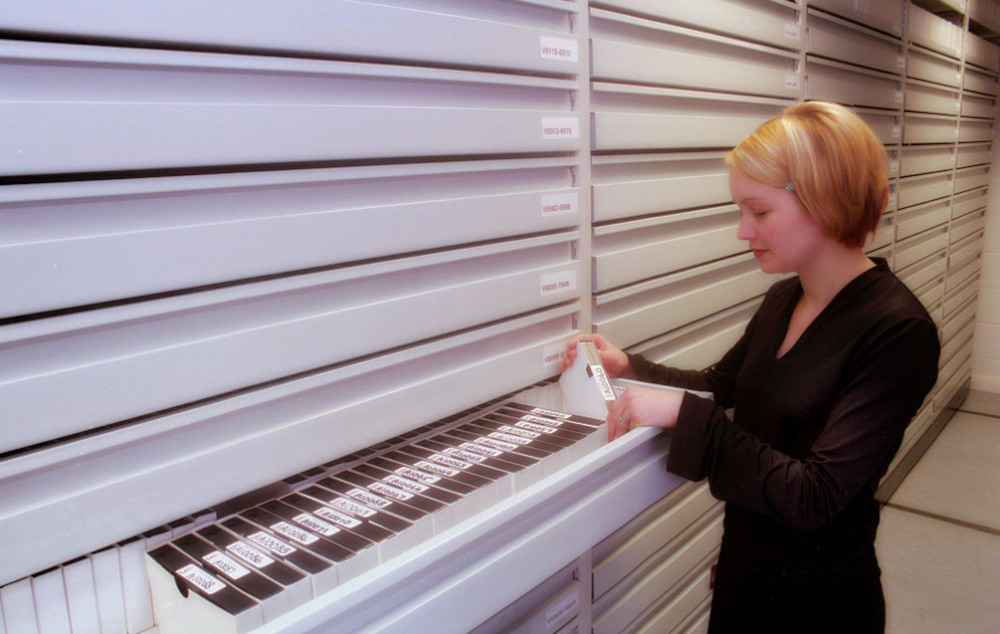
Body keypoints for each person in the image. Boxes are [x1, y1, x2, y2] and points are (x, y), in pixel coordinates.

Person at [561, 101, 940, 633]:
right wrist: (629, 365)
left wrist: (692, 418)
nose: (743, 232)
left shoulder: (897, 332)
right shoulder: (786, 298)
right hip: (747, 574)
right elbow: (722, 386)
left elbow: (816, 496)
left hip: (818, 605)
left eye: (758, 212)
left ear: (824, 200)